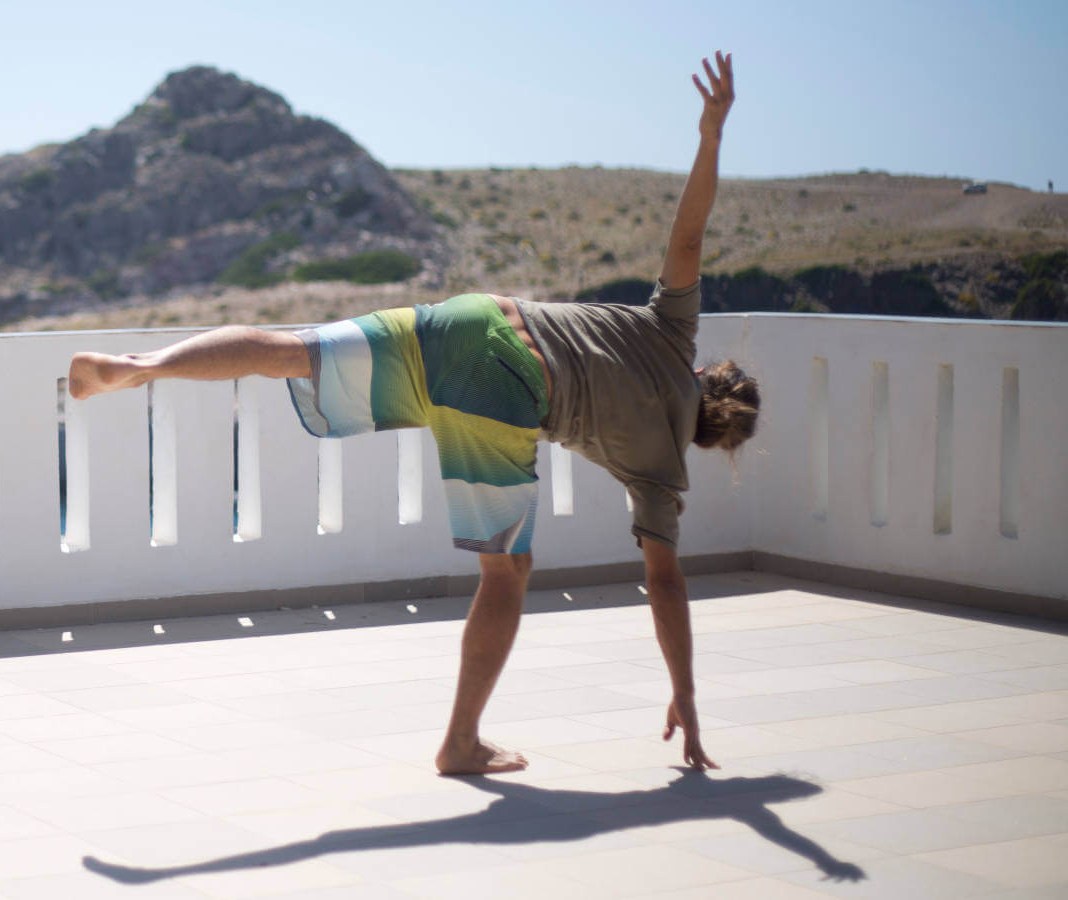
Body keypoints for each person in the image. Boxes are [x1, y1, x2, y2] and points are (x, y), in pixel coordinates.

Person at [68, 52, 758, 774]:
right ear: (713, 440)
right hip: (509, 392)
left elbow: (687, 235)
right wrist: (685, 693)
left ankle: (142, 367)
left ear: (710, 374)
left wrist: (710, 135)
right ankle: (461, 741)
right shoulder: (662, 474)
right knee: (506, 572)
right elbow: (666, 584)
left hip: (476, 318)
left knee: (290, 349)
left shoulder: (671, 331)